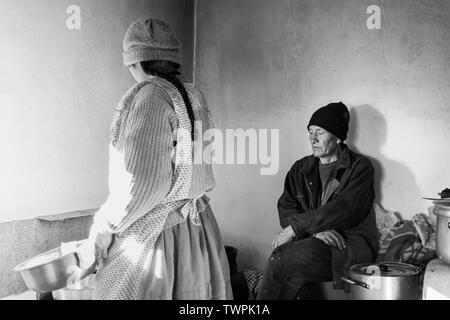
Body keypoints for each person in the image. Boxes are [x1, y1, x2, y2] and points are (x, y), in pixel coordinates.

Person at [78, 18, 232, 300]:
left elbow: (140, 186)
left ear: (134, 62)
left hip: (161, 238)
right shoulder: (193, 94)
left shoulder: (150, 98)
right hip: (197, 228)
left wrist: (104, 228)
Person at [256, 102, 379, 300]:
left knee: (282, 259)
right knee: (301, 290)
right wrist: (313, 231)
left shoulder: (360, 168)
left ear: (338, 137)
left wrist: (298, 229)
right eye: (310, 131)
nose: (312, 138)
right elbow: (286, 207)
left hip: (346, 246)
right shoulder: (300, 168)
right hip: (314, 241)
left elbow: (344, 210)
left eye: (320, 132)